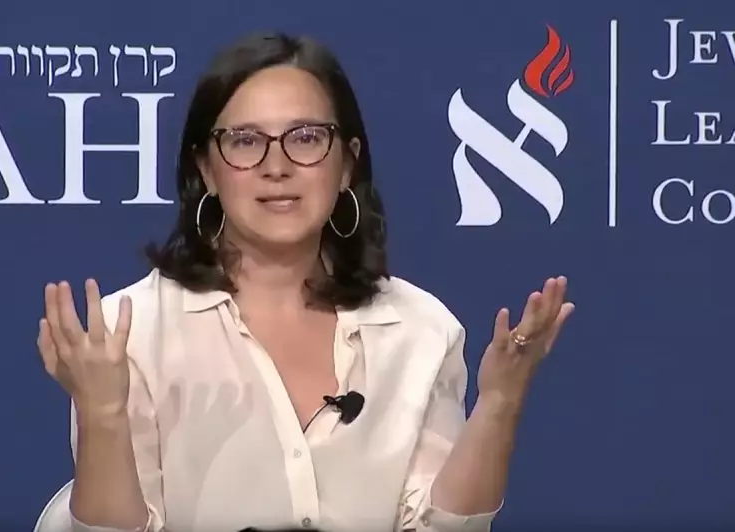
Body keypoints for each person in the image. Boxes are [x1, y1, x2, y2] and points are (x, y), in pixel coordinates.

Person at [36, 32, 574, 532]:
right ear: (206, 169)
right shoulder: (128, 334)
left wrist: (499, 403)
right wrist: (102, 416)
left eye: (307, 137)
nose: (277, 165)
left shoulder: (421, 331)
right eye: (245, 141)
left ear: (347, 165)